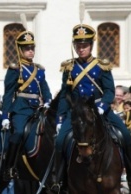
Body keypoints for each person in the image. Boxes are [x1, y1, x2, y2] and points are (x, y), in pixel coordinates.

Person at [51, 24, 131, 191]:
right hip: (78, 113)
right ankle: (59, 181)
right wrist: (60, 118)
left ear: (91, 46)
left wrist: (102, 105)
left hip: (100, 110)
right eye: (78, 45)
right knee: (59, 142)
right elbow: (66, 95)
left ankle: (130, 176)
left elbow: (109, 90)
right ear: (75, 46)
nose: (81, 49)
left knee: (125, 134)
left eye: (85, 45)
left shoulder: (102, 66)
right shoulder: (69, 67)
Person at [1, 30, 52, 181]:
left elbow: (45, 89)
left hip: (37, 108)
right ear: (20, 50)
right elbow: (8, 94)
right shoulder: (15, 69)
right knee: (17, 133)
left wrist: (48, 100)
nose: (30, 51)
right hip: (21, 109)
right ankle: (9, 167)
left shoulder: (39, 70)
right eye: (27, 49)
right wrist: (5, 115)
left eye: (32, 48)